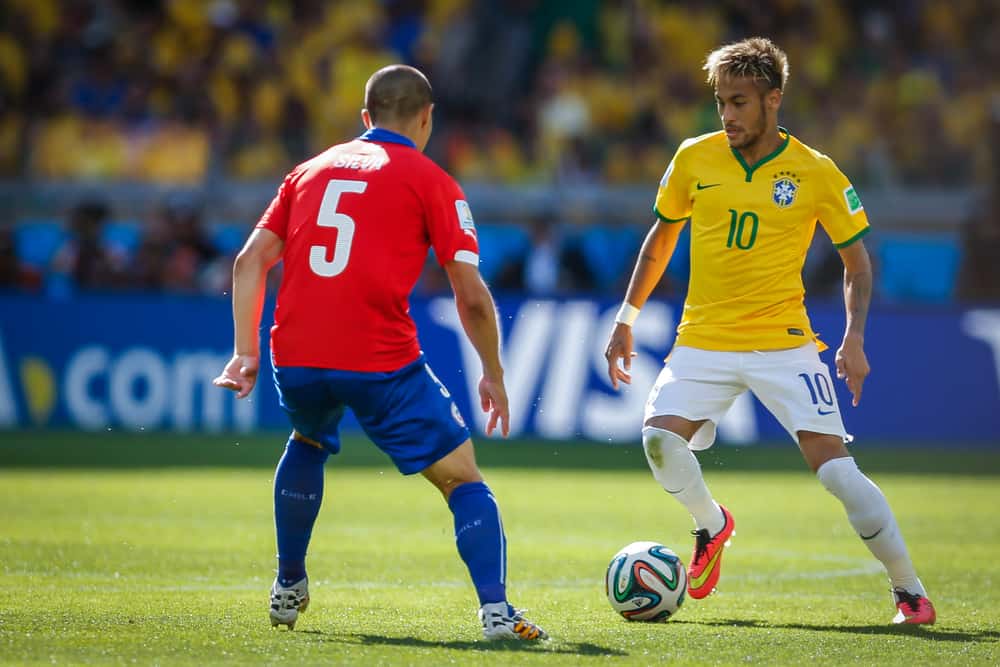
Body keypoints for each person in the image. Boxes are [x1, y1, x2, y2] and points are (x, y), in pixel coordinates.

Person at [603, 38, 935, 625]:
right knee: (658, 441)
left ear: (773, 100)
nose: (727, 115)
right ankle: (712, 524)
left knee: (837, 472)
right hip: (703, 340)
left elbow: (857, 264)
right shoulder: (692, 159)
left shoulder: (815, 172)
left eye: (739, 102)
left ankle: (909, 591)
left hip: (784, 344)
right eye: (720, 102)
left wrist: (854, 339)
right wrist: (626, 319)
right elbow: (661, 241)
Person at [213, 64, 548, 641]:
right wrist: (492, 372)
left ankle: (288, 584)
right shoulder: (432, 180)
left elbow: (248, 263)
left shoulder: (307, 171)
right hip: (378, 359)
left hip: (294, 355)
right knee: (463, 481)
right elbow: (470, 297)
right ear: (427, 118)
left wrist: (244, 354)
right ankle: (497, 611)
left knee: (308, 441)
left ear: (365, 119)